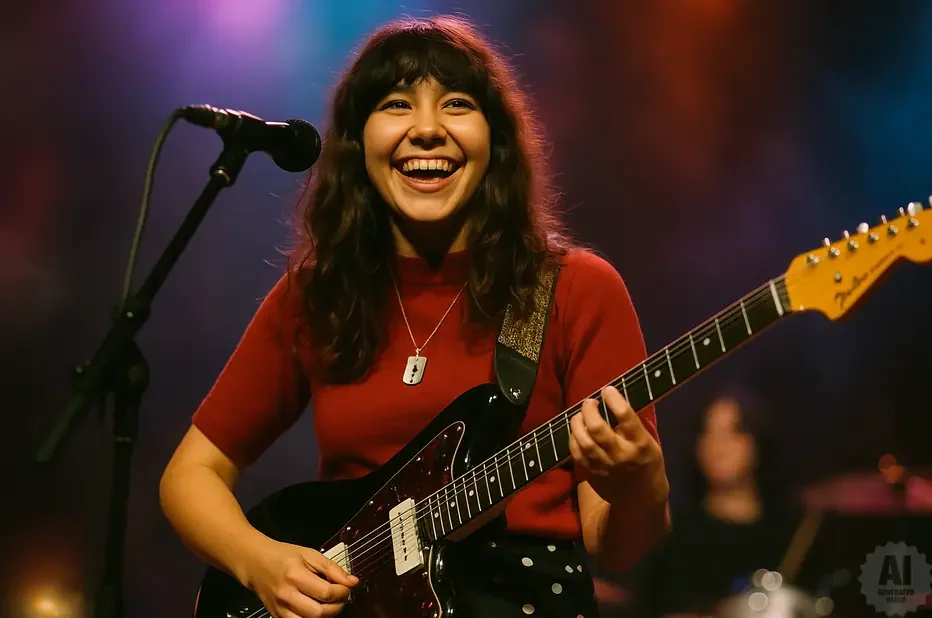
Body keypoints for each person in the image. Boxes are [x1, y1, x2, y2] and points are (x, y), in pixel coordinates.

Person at [159, 15, 671, 618]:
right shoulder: (317, 295)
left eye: (456, 104)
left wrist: (640, 481)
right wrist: (262, 561)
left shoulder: (574, 288)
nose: (427, 130)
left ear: (494, 141)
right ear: (358, 141)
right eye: (396, 105)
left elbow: (619, 546)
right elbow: (189, 476)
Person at [633, 388, 800, 618]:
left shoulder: (793, 535)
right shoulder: (673, 534)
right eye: (708, 432)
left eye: (734, 431)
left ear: (758, 441)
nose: (718, 445)